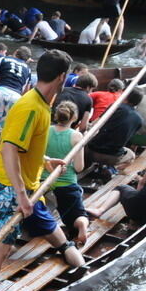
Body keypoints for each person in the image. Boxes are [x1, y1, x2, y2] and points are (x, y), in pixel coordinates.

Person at [0, 49, 85, 276]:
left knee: (3, 239)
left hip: (25, 184)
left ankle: (65, 246)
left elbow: (19, 143)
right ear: (61, 77)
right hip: (8, 186)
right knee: (2, 246)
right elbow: (9, 149)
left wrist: (45, 160)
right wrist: (20, 195)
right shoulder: (31, 107)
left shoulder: (42, 104)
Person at [42, 102, 88, 245]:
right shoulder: (76, 136)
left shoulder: (45, 130)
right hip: (66, 184)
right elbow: (79, 167)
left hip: (42, 183)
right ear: (74, 118)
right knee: (77, 215)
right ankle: (81, 224)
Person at [85, 89, 144, 171]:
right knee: (132, 156)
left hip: (91, 150)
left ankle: (87, 165)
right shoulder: (139, 120)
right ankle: (113, 171)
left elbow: (95, 124)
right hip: (113, 156)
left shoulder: (115, 106)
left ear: (126, 97)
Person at [86, 159, 146, 225]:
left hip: (137, 208)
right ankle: (137, 221)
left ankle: (100, 210)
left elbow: (142, 183)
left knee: (120, 188)